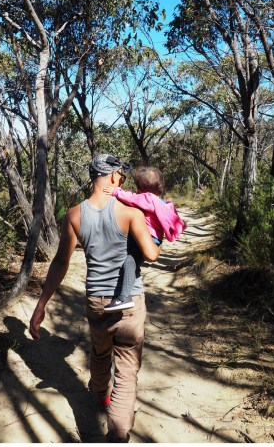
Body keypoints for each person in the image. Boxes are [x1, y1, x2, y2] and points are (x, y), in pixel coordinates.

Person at [29, 153, 160, 442]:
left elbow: (61, 263)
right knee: (127, 370)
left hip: (97, 302)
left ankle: (101, 395)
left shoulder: (75, 215)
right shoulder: (130, 213)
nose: (122, 181)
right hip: (130, 303)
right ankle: (118, 433)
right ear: (113, 177)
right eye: (121, 177)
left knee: (100, 353)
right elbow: (151, 254)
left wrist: (41, 305)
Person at [101, 166, 186, 312]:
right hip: (154, 239)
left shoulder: (148, 199)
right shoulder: (161, 202)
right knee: (132, 261)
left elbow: (132, 198)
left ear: (142, 188)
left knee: (129, 262)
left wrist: (115, 191)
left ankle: (124, 298)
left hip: (147, 238)